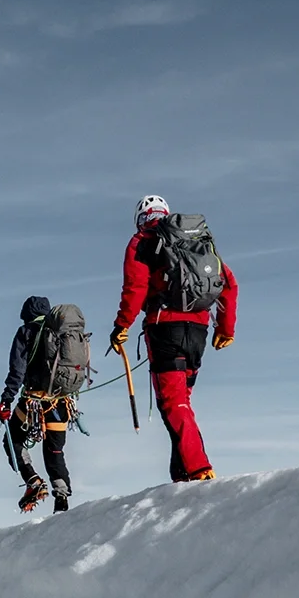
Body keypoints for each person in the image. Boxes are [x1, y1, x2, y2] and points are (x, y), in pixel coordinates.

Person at [108, 195, 237, 482]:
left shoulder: (143, 241)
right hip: (199, 330)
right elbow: (228, 284)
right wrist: (225, 329)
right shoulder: (197, 241)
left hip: (164, 326)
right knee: (182, 402)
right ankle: (181, 474)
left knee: (173, 402)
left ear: (141, 218)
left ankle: (199, 469)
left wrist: (121, 326)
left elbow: (135, 288)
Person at [0, 295, 74, 513]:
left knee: (12, 440)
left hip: (33, 404)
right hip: (61, 403)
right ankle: (61, 497)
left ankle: (33, 481)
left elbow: (17, 371)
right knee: (55, 450)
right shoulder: (61, 331)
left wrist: (7, 399)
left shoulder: (25, 332)